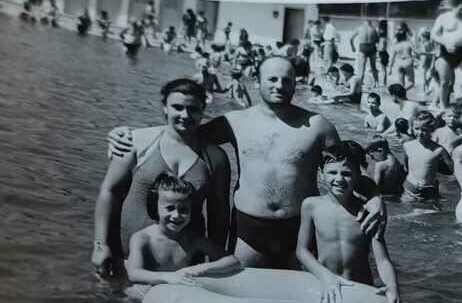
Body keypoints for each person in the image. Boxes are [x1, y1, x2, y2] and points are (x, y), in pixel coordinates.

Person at [107, 57, 387, 268]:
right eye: (272, 79)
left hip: (298, 227)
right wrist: (126, 134)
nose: (279, 85)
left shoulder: (317, 126)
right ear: (258, 80)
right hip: (248, 229)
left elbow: (347, 172)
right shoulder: (234, 122)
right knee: (237, 289)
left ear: (295, 83)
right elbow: (180, 131)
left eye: (287, 80)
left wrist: (375, 197)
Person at [92, 79, 232, 277]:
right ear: (165, 107)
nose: (185, 115)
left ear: (203, 110)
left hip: (184, 264)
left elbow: (219, 214)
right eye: (177, 107)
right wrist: (100, 245)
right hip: (126, 256)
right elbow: (109, 192)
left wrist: (216, 263)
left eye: (193, 109)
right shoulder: (136, 142)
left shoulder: (215, 157)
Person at [296, 144, 400, 303]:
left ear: (359, 175)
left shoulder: (368, 212)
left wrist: (393, 288)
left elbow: (382, 260)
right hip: (326, 285)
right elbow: (302, 250)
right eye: (332, 173)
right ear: (321, 173)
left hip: (360, 287)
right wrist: (325, 276)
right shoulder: (311, 206)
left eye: (346, 173)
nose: (339, 179)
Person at [125, 173, 243, 285]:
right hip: (144, 294)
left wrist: (198, 269)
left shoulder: (192, 239)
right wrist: (168, 277)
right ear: (155, 207)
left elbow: (233, 261)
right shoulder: (142, 238)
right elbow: (134, 273)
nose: (176, 215)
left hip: (174, 294)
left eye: (183, 210)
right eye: (169, 208)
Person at [430, 0, 462, 108]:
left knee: (461, 82)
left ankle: (459, 106)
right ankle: (443, 106)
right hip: (446, 51)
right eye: (461, 9)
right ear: (453, 6)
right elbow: (433, 35)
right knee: (445, 82)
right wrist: (445, 42)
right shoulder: (443, 18)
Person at [402, 111, 453, 202]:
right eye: (416, 129)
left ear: (432, 129)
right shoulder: (407, 145)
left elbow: (453, 170)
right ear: (412, 128)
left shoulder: (439, 150)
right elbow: (406, 166)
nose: (420, 133)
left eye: (424, 130)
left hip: (429, 190)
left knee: (430, 214)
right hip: (410, 189)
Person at [351, 19, 382, 89]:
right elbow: (377, 41)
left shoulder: (359, 28)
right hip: (372, 47)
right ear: (370, 22)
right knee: (373, 67)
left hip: (363, 47)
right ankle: (376, 83)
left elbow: (351, 38)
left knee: (361, 68)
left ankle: (360, 83)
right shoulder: (373, 29)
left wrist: (352, 47)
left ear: (364, 22)